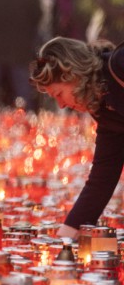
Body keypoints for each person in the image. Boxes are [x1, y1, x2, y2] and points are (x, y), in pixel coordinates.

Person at [30, 36, 124, 239]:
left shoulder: (119, 66)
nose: (61, 105)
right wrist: (65, 238)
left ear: (71, 75)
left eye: (59, 94)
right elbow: (103, 177)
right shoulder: (103, 110)